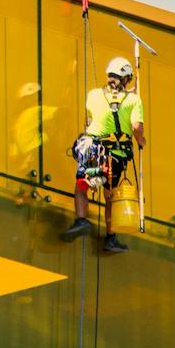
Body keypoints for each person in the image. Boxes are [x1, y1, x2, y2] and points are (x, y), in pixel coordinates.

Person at [60, 57, 145, 252]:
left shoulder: (94, 95)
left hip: (93, 152)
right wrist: (141, 140)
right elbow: (136, 127)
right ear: (126, 79)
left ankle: (81, 219)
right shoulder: (134, 101)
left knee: (82, 186)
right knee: (110, 196)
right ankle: (110, 236)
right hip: (115, 158)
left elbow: (104, 107)